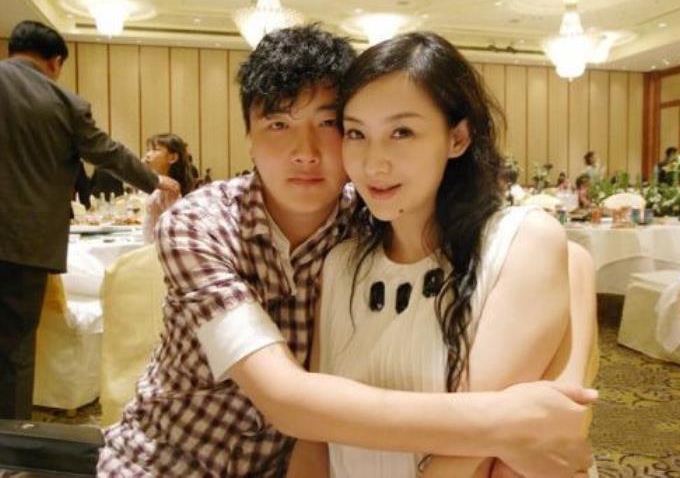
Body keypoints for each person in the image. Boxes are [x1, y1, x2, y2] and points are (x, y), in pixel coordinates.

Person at [98, 25, 595, 477]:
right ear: (248, 137)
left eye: (329, 124)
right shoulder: (200, 227)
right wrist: (503, 422)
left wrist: (565, 381)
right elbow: (284, 398)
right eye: (278, 125)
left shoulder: (369, 215)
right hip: (171, 461)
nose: (306, 152)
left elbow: (549, 252)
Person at [287, 30, 596, 478]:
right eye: (356, 133)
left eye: (402, 132)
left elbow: (469, 453)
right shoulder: (341, 265)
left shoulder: (519, 243)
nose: (373, 163)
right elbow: (314, 439)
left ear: (458, 137)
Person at [0, 20, 179, 421]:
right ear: (56, 61)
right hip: (22, 242)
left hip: (20, 240)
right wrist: (154, 181)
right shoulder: (62, 101)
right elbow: (107, 152)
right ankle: (10, 441)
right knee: (14, 351)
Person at [141, 133, 195, 242]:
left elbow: (174, 227)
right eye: (148, 150)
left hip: (159, 246)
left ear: (172, 158)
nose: (148, 155)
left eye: (155, 150)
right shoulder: (160, 183)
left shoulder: (170, 188)